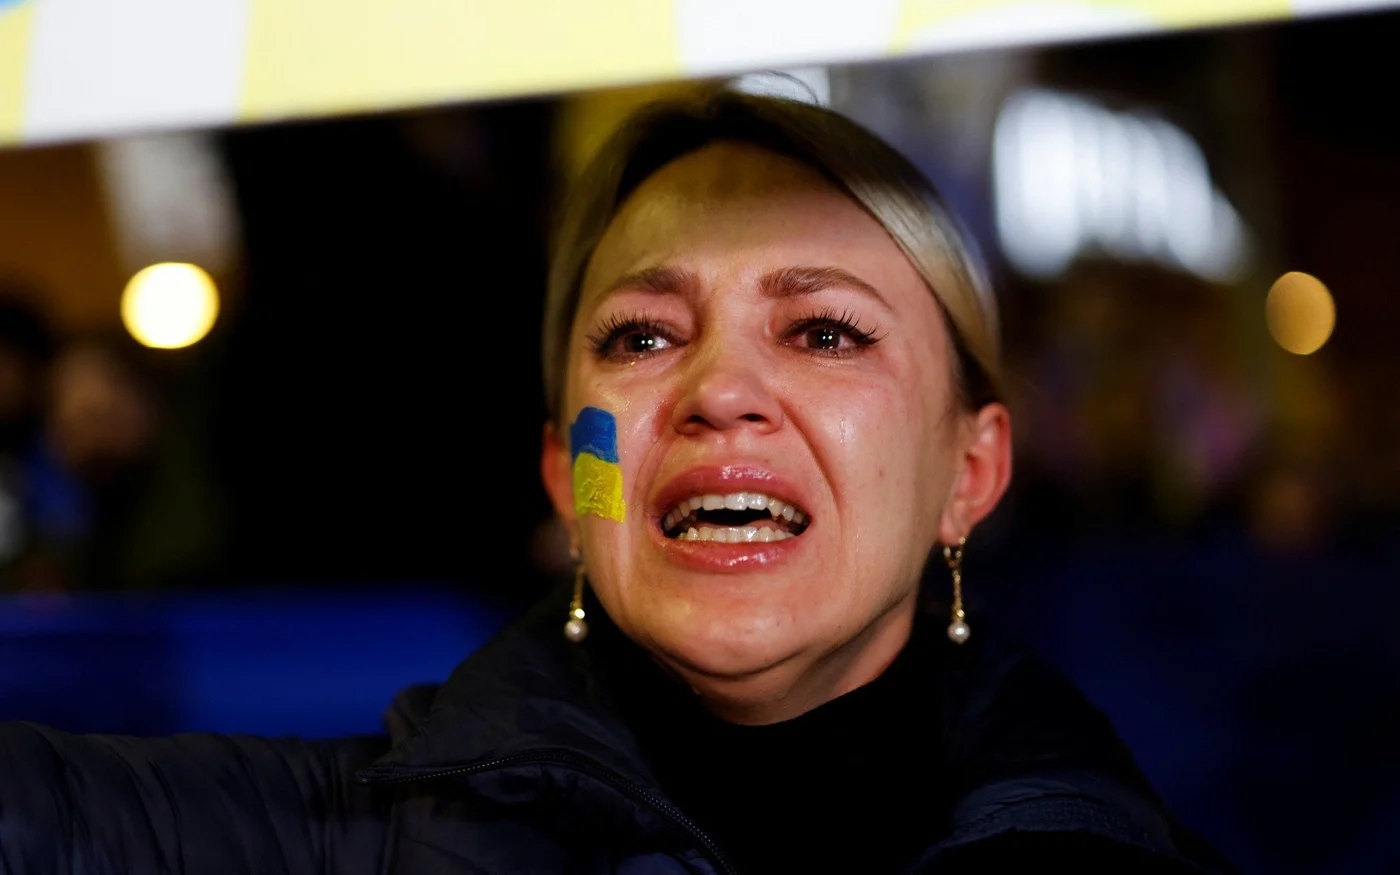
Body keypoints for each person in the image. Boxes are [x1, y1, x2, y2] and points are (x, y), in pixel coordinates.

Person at [0, 90, 1234, 874]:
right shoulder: (330, 841)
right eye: (640, 336)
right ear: (561, 475)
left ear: (969, 469)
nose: (715, 389)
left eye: (822, 332)